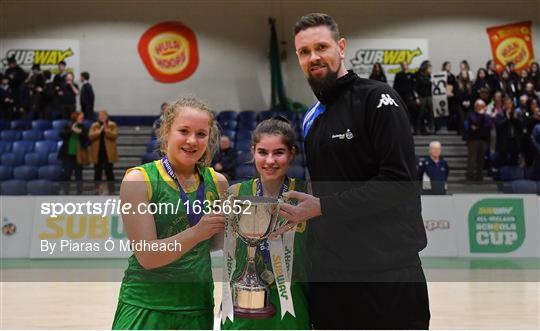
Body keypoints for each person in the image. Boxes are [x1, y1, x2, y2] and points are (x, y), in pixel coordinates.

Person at [274, 13, 430, 329]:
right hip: (332, 279)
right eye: (304, 52)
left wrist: (322, 207)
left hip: (388, 276)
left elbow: (399, 183)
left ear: (341, 47)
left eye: (322, 47)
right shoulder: (311, 118)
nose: (313, 57)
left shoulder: (378, 99)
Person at [112, 97, 227, 330]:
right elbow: (148, 256)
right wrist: (197, 232)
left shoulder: (218, 182)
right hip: (145, 307)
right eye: (183, 131)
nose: (192, 141)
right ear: (166, 131)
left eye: (201, 134)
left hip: (197, 307)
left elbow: (213, 244)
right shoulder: (139, 179)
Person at [221, 117, 310, 330]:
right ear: (253, 151)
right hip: (243, 304)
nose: (270, 160)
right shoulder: (235, 195)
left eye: (278, 152)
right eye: (262, 152)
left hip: (291, 304)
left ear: (292, 153)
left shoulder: (307, 195)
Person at [58, 112, 90, 194]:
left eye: (83, 117)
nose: (82, 119)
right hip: (67, 155)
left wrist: (79, 133)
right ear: (76, 117)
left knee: (79, 176)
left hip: (78, 155)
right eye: (81, 117)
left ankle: (79, 193)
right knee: (67, 174)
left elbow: (87, 139)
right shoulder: (68, 126)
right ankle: (66, 192)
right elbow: (61, 134)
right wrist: (72, 130)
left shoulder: (84, 128)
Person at [89, 110, 118, 194]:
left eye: (103, 116)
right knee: (97, 171)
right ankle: (97, 190)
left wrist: (106, 130)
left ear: (107, 117)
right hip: (97, 152)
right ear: (98, 117)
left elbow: (114, 135)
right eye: (100, 116)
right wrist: (99, 131)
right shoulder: (94, 125)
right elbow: (91, 136)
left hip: (108, 152)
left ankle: (111, 190)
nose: (102, 117)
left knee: (109, 171)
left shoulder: (112, 125)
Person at [466, 99, 492, 181]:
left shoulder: (487, 116)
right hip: (473, 140)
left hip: (484, 140)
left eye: (483, 106)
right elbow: (474, 123)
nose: (482, 108)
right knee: (472, 159)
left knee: (481, 159)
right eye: (480, 106)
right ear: (476, 107)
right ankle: (470, 175)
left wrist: (478, 127)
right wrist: (480, 118)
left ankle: (479, 176)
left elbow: (489, 126)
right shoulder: (471, 114)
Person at [393, 61, 417, 133]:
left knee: (411, 112)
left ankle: (412, 128)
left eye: (405, 65)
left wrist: (415, 97)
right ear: (401, 66)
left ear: (408, 66)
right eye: (403, 65)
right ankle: (402, 128)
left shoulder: (411, 75)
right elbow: (395, 86)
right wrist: (395, 96)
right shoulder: (398, 75)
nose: (404, 66)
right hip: (401, 96)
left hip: (409, 96)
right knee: (401, 112)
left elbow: (414, 87)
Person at [415, 60, 434, 134]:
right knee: (421, 113)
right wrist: (416, 98)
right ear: (425, 68)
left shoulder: (431, 76)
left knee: (431, 113)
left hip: (429, 96)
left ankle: (431, 128)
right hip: (421, 96)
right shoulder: (418, 75)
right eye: (429, 68)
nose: (431, 70)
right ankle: (418, 129)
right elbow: (415, 88)